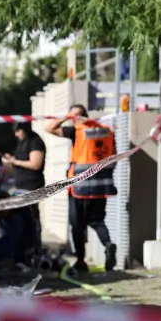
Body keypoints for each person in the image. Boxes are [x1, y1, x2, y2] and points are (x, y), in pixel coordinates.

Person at [44, 105, 117, 273]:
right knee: (97, 220)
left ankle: (81, 261)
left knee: (77, 225)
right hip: (101, 186)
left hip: (80, 187)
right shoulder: (107, 131)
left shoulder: (76, 131)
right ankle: (108, 244)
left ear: (76, 117)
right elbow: (115, 156)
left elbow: (49, 128)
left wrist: (65, 117)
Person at [4, 121, 47, 262]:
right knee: (22, 220)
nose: (16, 135)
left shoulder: (35, 141)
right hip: (20, 185)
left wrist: (16, 162)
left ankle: (35, 249)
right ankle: (23, 250)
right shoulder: (21, 143)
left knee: (31, 218)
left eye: (18, 131)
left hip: (32, 185)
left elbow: (35, 164)